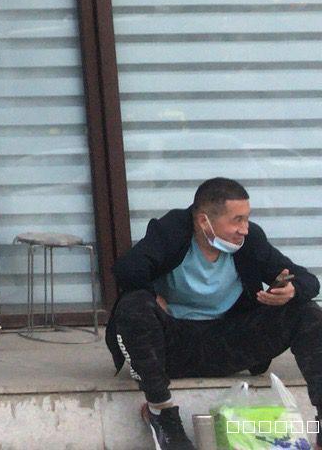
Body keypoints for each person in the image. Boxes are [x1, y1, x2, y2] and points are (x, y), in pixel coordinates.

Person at [109, 177, 322, 450]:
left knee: (306, 311)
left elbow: (308, 280)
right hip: (172, 346)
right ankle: (162, 415)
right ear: (203, 221)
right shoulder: (172, 231)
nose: (244, 229)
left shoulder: (250, 241)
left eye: (247, 219)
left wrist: (292, 290)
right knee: (133, 305)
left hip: (230, 341)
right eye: (237, 220)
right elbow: (127, 269)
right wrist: (152, 294)